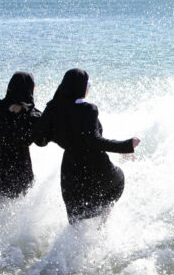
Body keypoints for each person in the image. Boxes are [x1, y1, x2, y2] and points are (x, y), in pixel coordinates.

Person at [33, 69, 140, 224]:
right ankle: (103, 224)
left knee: (75, 215)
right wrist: (126, 145)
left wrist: (63, 139)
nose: (89, 87)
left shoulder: (54, 108)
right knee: (119, 179)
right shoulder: (89, 109)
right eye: (88, 84)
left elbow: (39, 139)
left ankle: (70, 245)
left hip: (71, 171)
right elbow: (93, 141)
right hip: (96, 166)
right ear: (82, 87)